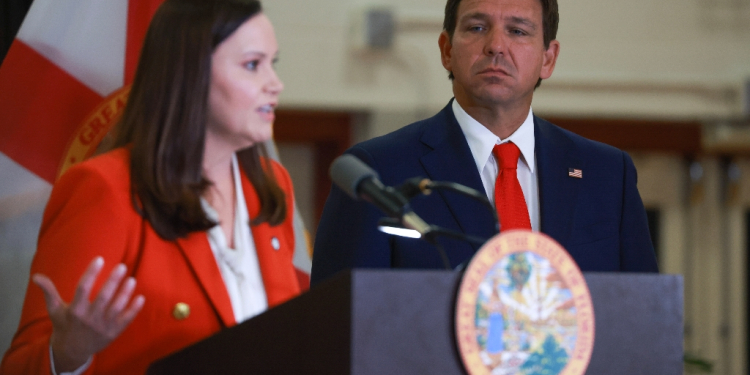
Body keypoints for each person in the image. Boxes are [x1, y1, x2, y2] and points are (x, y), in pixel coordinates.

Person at [0, 1, 303, 374]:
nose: (275, 84)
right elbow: (19, 367)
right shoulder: (105, 189)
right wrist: (67, 352)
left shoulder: (273, 185)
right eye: (253, 65)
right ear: (190, 73)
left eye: (275, 63)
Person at [311, 0, 658, 285]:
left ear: (548, 58)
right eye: (477, 28)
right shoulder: (379, 172)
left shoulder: (608, 174)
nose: (495, 45)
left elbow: (642, 319)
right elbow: (338, 328)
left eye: (517, 31)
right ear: (446, 50)